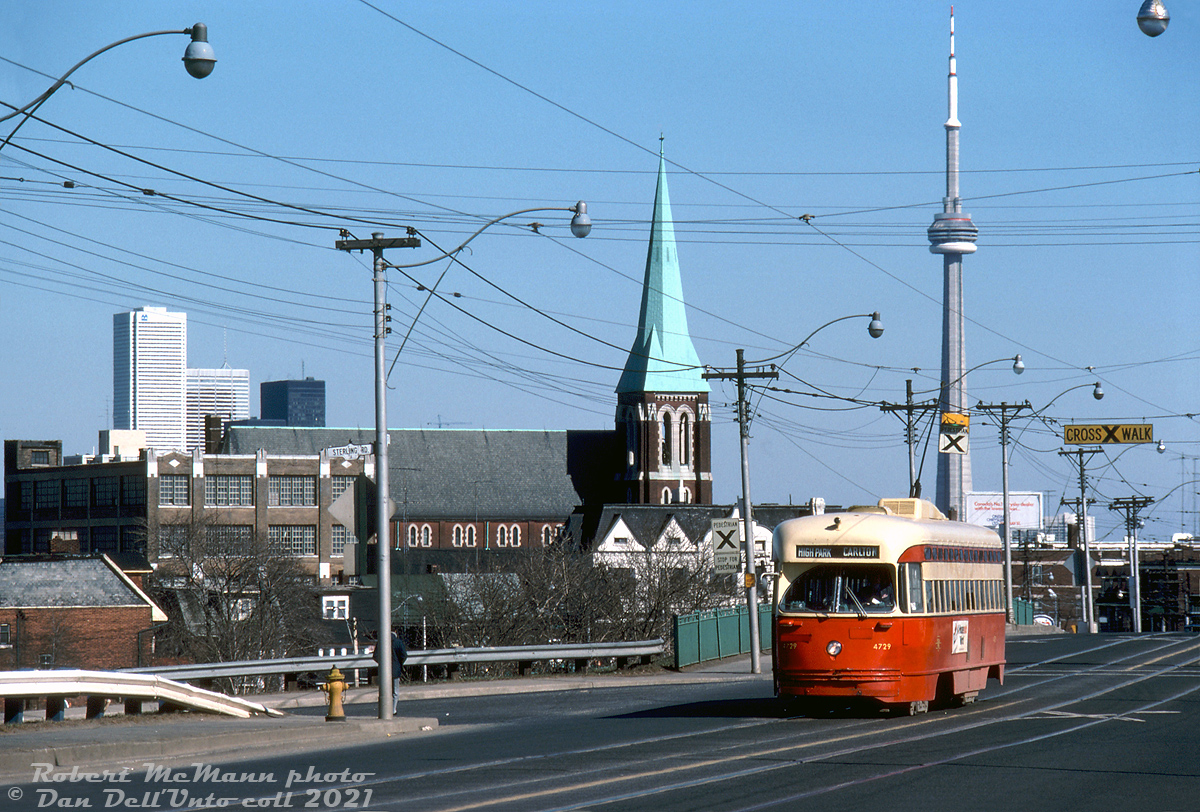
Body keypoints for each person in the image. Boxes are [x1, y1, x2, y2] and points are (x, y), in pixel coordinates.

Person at [374, 628, 408, 713]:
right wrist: (400, 663)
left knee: (384, 691)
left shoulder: (381, 642)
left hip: (384, 671)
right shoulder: (398, 642)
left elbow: (375, 656)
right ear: (395, 633)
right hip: (395, 670)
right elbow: (404, 655)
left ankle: (384, 709)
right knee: (395, 691)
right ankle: (393, 709)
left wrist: (382, 663)